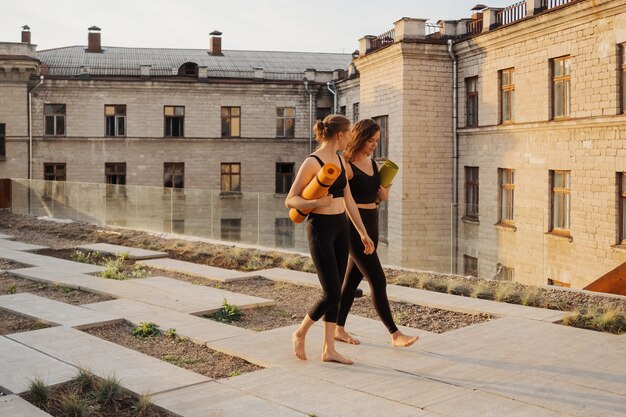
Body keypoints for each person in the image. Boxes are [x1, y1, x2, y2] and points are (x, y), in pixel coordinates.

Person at [285, 114, 375, 365]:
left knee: (337, 291)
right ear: (340, 135)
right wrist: (315, 202)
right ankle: (300, 332)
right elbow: (291, 199)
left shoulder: (338, 160)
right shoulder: (312, 162)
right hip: (320, 229)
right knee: (332, 292)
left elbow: (348, 200)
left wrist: (362, 232)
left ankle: (329, 350)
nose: (351, 138)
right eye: (349, 133)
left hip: (341, 228)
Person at [335, 118, 418, 348]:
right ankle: (395, 334)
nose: (373, 145)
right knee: (378, 279)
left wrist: (384, 194)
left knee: (352, 281)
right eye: (370, 140)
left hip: (372, 222)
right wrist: (362, 233)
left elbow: (378, 198)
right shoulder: (346, 165)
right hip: (354, 227)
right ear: (360, 137)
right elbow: (343, 199)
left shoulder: (372, 165)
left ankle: (336, 328)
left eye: (376, 141)